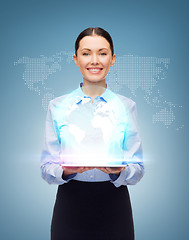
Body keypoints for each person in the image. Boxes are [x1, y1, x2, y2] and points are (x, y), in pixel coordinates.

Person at [40, 27, 144, 240]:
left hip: (115, 206)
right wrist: (67, 171)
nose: (94, 60)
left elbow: (138, 168)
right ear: (76, 59)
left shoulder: (127, 106)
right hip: (69, 206)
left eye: (102, 53)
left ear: (112, 59)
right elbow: (46, 167)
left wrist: (118, 171)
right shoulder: (57, 106)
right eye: (86, 53)